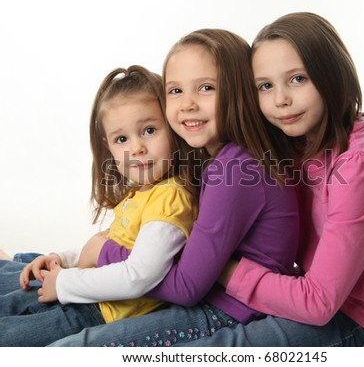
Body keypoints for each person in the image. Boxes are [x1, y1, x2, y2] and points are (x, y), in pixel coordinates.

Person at [53, 12, 364, 347]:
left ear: (332, 74)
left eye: (298, 79)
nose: (281, 100)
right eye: (264, 85)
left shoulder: (361, 164)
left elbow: (318, 303)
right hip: (285, 291)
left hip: (351, 319)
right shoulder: (293, 141)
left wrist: (211, 266)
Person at [49, 28, 300, 347]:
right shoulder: (220, 158)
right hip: (209, 298)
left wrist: (105, 253)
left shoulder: (234, 169)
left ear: (239, 91)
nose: (187, 105)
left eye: (206, 88)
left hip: (227, 312)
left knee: (70, 349)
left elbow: (186, 287)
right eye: (176, 91)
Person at [0, 65, 198, 346]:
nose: (137, 147)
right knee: (10, 300)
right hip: (83, 293)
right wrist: (62, 258)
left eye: (150, 130)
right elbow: (106, 243)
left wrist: (65, 283)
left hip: (98, 311)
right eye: (122, 139)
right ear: (109, 147)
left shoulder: (171, 198)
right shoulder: (141, 192)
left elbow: (139, 275)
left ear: (173, 130)